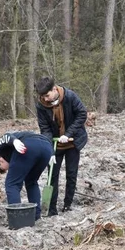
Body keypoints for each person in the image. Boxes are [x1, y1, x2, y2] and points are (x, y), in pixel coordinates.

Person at [34, 76, 88, 216]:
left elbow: (82, 114)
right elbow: (44, 128)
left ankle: (67, 205)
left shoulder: (70, 96)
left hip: (73, 141)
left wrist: (69, 133)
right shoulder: (41, 105)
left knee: (71, 174)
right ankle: (51, 209)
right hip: (55, 144)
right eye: (42, 97)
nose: (45, 99)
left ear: (54, 89)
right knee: (52, 176)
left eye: (47, 95)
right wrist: (49, 150)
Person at [0, 131, 54, 219]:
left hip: (27, 146)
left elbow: (6, 135)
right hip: (47, 147)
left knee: (12, 184)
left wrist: (14, 141)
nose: (9, 169)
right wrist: (52, 152)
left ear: (0, 160)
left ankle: (17, 218)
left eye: (5, 169)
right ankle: (36, 216)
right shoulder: (11, 150)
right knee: (31, 182)